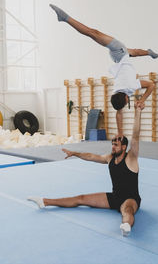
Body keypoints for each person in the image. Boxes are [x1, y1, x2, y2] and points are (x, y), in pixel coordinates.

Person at [27, 101, 145, 237]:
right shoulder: (109, 158)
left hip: (130, 198)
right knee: (81, 198)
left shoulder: (131, 158)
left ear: (124, 147)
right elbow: (90, 156)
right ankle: (44, 201)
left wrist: (138, 112)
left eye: (116, 145)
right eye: (112, 144)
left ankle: (126, 226)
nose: (113, 147)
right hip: (114, 197)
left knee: (127, 210)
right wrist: (74, 153)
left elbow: (135, 137)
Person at [49, 4, 156, 136]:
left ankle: (65, 18)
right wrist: (120, 133)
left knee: (93, 33)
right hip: (119, 58)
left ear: (126, 99)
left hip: (119, 53)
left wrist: (142, 100)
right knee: (133, 52)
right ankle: (148, 52)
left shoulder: (130, 86)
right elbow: (118, 113)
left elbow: (151, 85)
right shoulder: (117, 91)